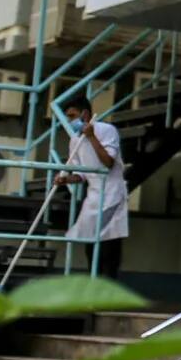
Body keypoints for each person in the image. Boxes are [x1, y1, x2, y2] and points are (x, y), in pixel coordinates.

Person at [56, 92, 128, 279]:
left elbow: (108, 162)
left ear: (85, 114)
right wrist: (66, 180)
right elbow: (81, 174)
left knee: (108, 247)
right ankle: (93, 285)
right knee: (90, 247)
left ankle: (108, 286)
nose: (70, 121)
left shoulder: (107, 130)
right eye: (68, 117)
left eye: (72, 116)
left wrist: (92, 137)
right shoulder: (75, 140)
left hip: (112, 193)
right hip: (94, 195)